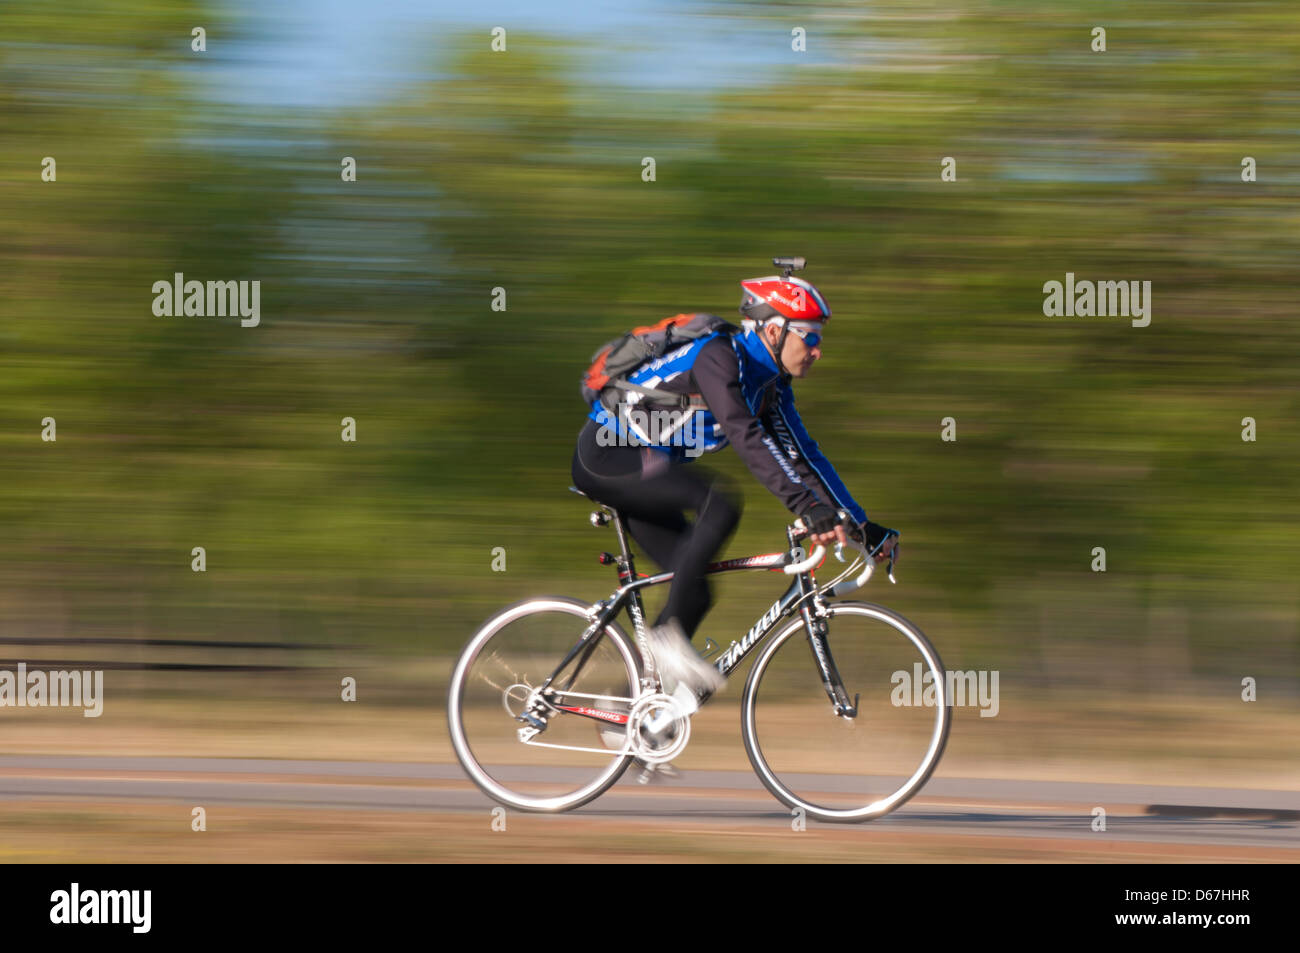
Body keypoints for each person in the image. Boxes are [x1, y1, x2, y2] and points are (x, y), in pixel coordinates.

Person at [570, 263, 899, 715]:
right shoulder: (718, 357)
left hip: (647, 470)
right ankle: (668, 637)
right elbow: (745, 435)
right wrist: (806, 508)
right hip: (607, 455)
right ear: (775, 330)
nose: (818, 351)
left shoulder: (769, 388)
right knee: (719, 502)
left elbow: (805, 457)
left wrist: (861, 526)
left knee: (696, 589)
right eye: (812, 337)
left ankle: (635, 719)